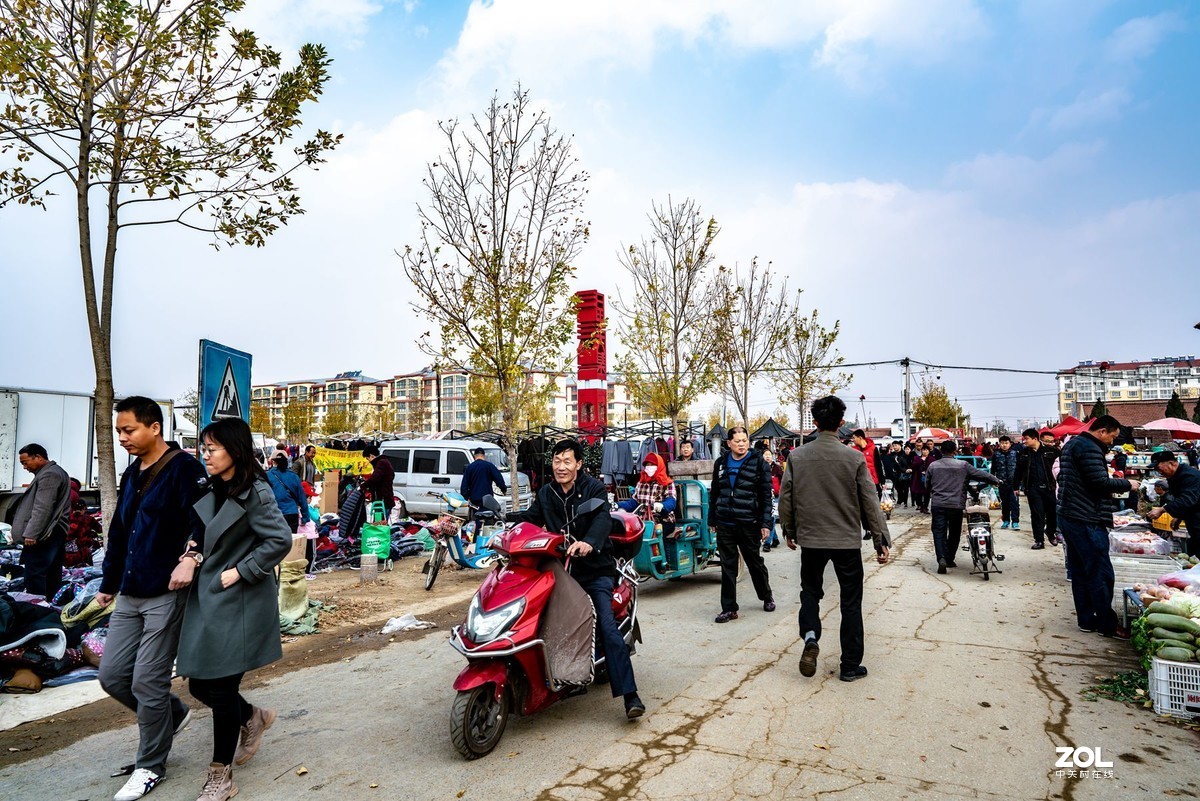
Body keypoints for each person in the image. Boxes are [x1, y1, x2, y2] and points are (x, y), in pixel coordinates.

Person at [173, 417, 293, 801]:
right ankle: (252, 716)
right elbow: (201, 529)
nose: (205, 455)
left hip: (238, 599)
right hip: (211, 596)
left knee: (220, 686)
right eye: (203, 449)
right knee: (199, 684)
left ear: (234, 451)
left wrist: (240, 571)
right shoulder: (216, 486)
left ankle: (220, 776)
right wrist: (193, 554)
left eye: (212, 449)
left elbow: (279, 540)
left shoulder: (257, 492)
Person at [97, 397, 207, 801]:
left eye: (129, 430)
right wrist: (108, 582)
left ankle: (150, 765)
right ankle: (173, 715)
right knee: (112, 677)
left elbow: (205, 520)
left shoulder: (185, 470)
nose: (122, 437)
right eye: (119, 431)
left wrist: (192, 557)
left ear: (155, 428)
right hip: (130, 591)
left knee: (148, 681)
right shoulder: (130, 475)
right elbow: (119, 533)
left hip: (166, 591)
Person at [510, 439, 645, 720]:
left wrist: (589, 543)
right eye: (557, 461)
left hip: (594, 569)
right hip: (560, 569)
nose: (561, 467)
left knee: (606, 626)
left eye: (567, 461)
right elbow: (532, 519)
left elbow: (602, 519)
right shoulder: (547, 493)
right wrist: (506, 524)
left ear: (579, 464)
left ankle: (630, 695)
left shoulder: (593, 489)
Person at [780, 395, 890, 683]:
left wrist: (789, 531)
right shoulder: (854, 457)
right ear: (841, 424)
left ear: (814, 423)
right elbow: (869, 501)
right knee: (850, 602)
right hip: (846, 542)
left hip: (812, 540)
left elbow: (786, 497)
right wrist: (880, 539)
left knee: (810, 592)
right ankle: (850, 666)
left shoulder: (797, 456)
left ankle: (811, 636)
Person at [1058, 416, 1137, 637]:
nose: (1112, 441)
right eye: (1112, 436)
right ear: (1102, 431)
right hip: (1086, 518)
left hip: (1070, 515)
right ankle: (1106, 625)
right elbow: (1099, 482)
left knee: (1081, 571)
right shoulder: (1090, 448)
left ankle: (1086, 620)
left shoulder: (1072, 444)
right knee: (1100, 573)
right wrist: (1128, 484)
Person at [708, 426, 776, 623]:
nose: (741, 444)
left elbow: (766, 495)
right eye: (737, 441)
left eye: (744, 441)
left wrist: (766, 523)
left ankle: (766, 595)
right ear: (729, 443)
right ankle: (729, 609)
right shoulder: (721, 463)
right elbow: (715, 493)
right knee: (728, 566)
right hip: (725, 523)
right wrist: (712, 519)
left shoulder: (758, 463)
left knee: (754, 562)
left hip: (749, 523)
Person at [925, 441, 1002, 573]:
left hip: (938, 505)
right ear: (955, 451)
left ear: (941, 451)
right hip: (956, 505)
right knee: (954, 532)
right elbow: (980, 474)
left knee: (939, 532)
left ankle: (941, 558)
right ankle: (949, 559)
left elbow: (927, 485)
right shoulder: (963, 465)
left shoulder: (933, 466)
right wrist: (996, 480)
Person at [10, 443, 71, 599]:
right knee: (51, 573)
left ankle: (36, 608)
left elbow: (43, 507)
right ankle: (48, 607)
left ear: (38, 457)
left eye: (25, 462)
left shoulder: (49, 474)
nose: (24, 467)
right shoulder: (50, 473)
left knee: (35, 574)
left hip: (45, 534)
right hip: (51, 532)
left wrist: (32, 533)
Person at [1148, 452, 1200, 558]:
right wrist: (1179, 516)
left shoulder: (1190, 476)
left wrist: (1162, 509)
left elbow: (1187, 499)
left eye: (1159, 468)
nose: (1159, 472)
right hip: (1193, 521)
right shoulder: (1175, 476)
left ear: (1171, 463)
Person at [1016, 428, 1058, 547]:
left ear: (1035, 439)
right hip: (1033, 488)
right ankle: (1039, 540)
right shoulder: (1024, 453)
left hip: (1050, 487)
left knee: (1053, 513)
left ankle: (1051, 532)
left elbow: (1061, 466)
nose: (1024, 442)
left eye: (1026, 439)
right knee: (1037, 514)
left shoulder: (1052, 451)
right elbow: (1018, 471)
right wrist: (1016, 486)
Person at [618, 453, 677, 537]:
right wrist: (617, 505)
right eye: (647, 465)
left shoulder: (667, 483)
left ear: (659, 465)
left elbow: (671, 501)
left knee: (654, 534)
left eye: (652, 464)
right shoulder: (641, 483)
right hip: (643, 519)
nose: (649, 467)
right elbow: (634, 502)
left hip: (663, 519)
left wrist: (662, 506)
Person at [460, 447, 508, 537]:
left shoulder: (470, 467)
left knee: (476, 521)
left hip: (475, 499)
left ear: (475, 456)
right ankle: (487, 537)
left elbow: (464, 486)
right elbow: (499, 478)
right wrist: (503, 489)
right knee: (488, 520)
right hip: (487, 500)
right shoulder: (489, 466)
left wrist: (467, 497)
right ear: (483, 456)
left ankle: (476, 539)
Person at [64, 477, 103, 569]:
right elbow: (100, 529)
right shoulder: (88, 519)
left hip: (68, 551)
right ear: (84, 509)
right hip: (82, 549)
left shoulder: (69, 518)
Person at [266, 454, 308, 534]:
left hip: (275, 514)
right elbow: (302, 497)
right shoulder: (294, 476)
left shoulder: (268, 475)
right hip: (292, 513)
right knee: (292, 541)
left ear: (274, 462)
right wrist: (305, 517)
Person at [991, 435, 1020, 530]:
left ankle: (1015, 522)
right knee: (1005, 503)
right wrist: (993, 480)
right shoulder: (996, 454)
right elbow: (993, 468)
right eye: (1002, 443)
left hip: (1013, 483)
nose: (1004, 445)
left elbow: (1020, 468)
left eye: (1006, 443)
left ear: (1010, 444)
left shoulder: (1015, 453)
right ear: (999, 444)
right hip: (1002, 482)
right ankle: (1006, 521)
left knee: (1014, 503)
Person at [851, 430, 885, 497]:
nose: (853, 440)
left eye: (854, 438)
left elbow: (879, 465)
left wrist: (882, 482)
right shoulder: (853, 450)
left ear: (860, 438)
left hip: (874, 481)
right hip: (860, 482)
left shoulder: (873, 449)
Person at [361, 444, 395, 511]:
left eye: (368, 458)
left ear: (371, 456)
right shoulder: (384, 461)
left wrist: (363, 486)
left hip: (382, 500)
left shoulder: (381, 463)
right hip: (386, 498)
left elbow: (375, 479)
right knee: (382, 520)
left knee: (379, 520)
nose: (368, 461)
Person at [910, 445, 932, 514]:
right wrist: (921, 461)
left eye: (926, 450)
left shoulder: (932, 459)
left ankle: (925, 507)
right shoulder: (916, 458)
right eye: (923, 450)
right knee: (918, 493)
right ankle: (920, 505)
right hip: (918, 478)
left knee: (927, 494)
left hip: (928, 478)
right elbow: (913, 466)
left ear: (929, 451)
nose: (925, 452)